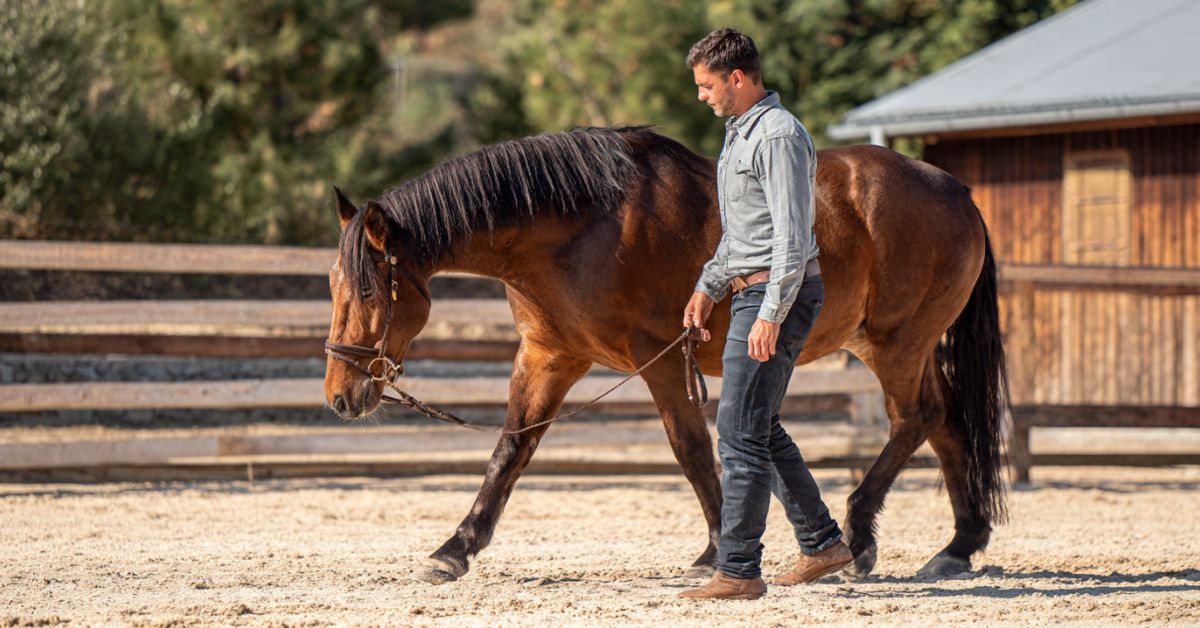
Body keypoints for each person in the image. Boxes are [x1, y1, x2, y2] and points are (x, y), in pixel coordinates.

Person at [679, 28, 852, 601]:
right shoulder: (739, 135)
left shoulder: (776, 135)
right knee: (755, 424)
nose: (701, 96)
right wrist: (708, 286)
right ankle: (823, 542)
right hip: (751, 290)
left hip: (779, 294)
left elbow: (791, 235)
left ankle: (738, 570)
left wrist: (770, 312)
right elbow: (742, 233)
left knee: (739, 433)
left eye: (707, 86)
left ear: (736, 77)